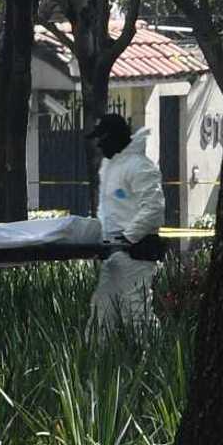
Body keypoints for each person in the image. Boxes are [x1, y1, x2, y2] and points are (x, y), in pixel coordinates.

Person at [85, 113, 165, 330]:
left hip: (136, 253)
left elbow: (153, 209)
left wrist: (128, 237)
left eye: (101, 139)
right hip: (113, 251)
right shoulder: (109, 167)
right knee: (101, 313)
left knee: (137, 312)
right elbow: (108, 210)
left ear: (114, 137)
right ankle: (99, 351)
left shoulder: (140, 167)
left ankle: (150, 350)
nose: (98, 145)